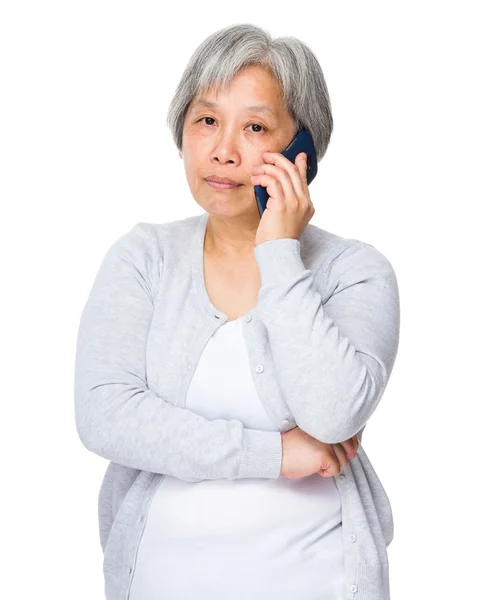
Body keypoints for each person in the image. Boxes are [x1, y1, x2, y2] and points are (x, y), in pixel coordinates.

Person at [74, 23, 400, 600]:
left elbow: (332, 415)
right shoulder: (143, 257)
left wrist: (279, 252)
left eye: (254, 127)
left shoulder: (355, 272)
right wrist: (277, 454)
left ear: (303, 150)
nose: (223, 150)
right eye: (206, 120)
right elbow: (105, 415)